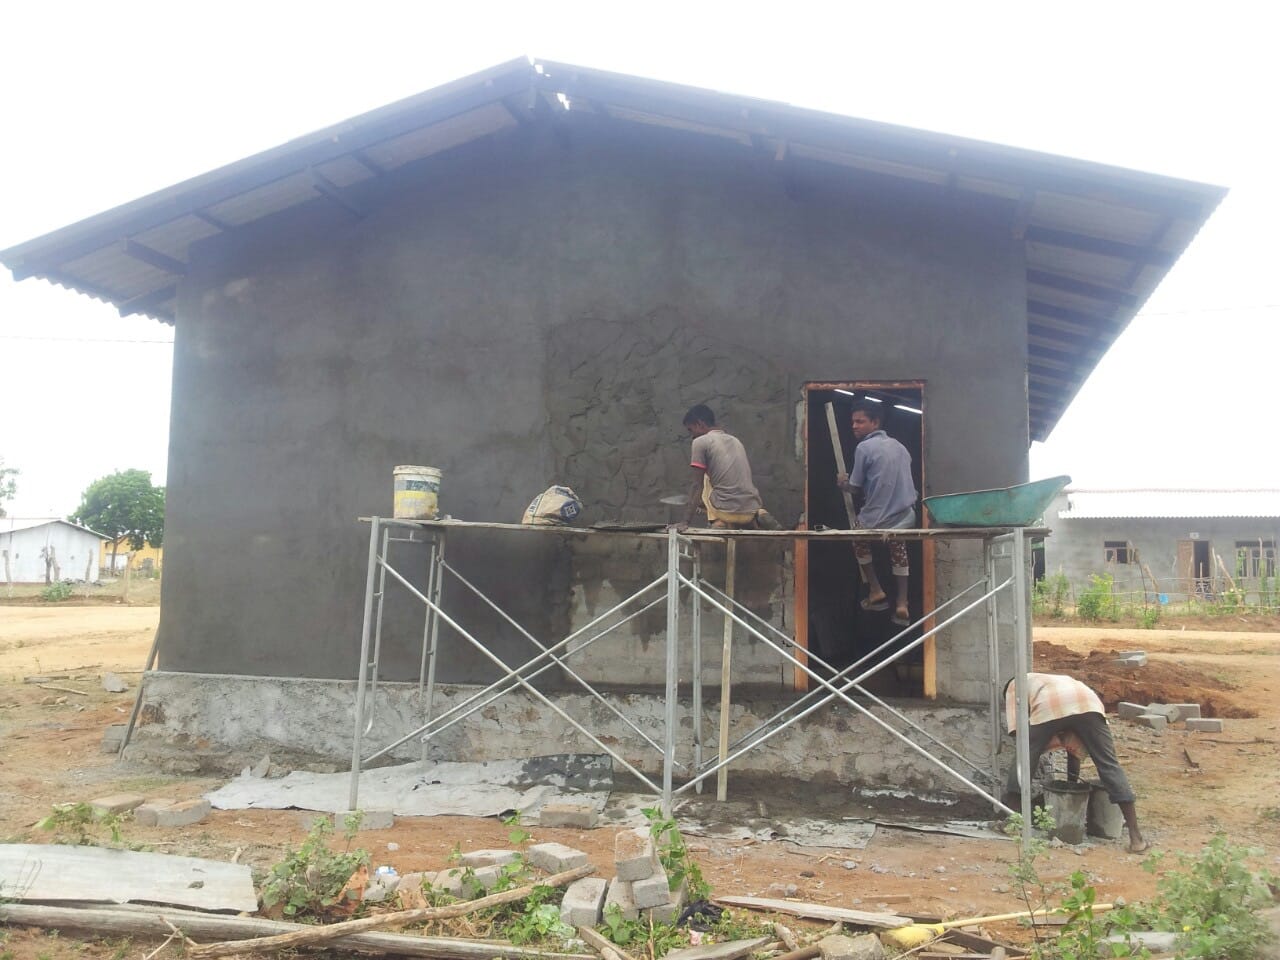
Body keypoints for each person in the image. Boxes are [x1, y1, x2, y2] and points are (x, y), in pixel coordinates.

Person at [1003, 672, 1149, 853]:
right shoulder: (1057, 680)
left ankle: (1012, 820)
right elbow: (1074, 750)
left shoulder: (1013, 685)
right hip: (1089, 704)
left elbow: (1018, 733)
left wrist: (1040, 743)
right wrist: (1071, 786)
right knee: (1108, 764)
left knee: (1024, 757)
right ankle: (1136, 838)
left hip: (1049, 705)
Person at [836, 399, 917, 625]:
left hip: (876, 516)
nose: (854, 426)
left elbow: (855, 487)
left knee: (857, 537)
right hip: (905, 516)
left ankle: (875, 589)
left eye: (860, 422)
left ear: (875, 422)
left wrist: (842, 483)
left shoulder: (864, 448)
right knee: (898, 548)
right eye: (853, 422)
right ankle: (902, 602)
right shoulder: (900, 447)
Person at [680, 405, 780, 530]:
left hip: (726, 512)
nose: (692, 436)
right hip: (751, 510)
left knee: (705, 479)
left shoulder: (700, 442)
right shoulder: (735, 441)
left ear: (700, 424)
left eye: (691, 429)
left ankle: (717, 522)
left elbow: (697, 486)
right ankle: (761, 513)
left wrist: (685, 521)